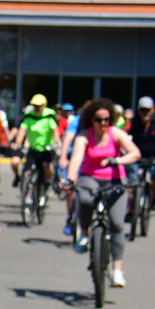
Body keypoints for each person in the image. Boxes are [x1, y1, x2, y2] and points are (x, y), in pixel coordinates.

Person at [67, 97, 141, 287]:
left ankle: (117, 270)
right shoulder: (84, 135)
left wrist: (118, 161)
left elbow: (135, 153)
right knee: (84, 199)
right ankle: (83, 233)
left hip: (115, 179)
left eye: (106, 119)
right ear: (91, 119)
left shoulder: (116, 133)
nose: (103, 123)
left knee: (117, 224)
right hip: (89, 177)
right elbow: (76, 158)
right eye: (99, 120)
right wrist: (69, 178)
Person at [126, 96, 155, 206]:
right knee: (132, 181)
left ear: (153, 109)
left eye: (147, 110)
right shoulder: (133, 122)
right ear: (138, 110)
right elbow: (124, 136)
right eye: (142, 110)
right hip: (137, 156)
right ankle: (130, 208)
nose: (145, 113)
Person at [57, 100, 92, 235]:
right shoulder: (77, 121)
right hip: (75, 158)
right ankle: (70, 217)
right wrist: (63, 157)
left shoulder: (100, 123)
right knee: (71, 189)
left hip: (91, 161)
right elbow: (67, 139)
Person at [11, 93, 59, 189]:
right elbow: (22, 130)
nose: (37, 108)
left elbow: (55, 131)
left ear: (44, 105)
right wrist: (18, 143)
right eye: (35, 106)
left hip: (45, 149)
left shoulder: (49, 115)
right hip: (33, 148)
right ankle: (27, 190)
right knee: (27, 170)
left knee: (47, 166)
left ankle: (48, 182)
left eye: (39, 106)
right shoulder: (29, 116)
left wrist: (56, 143)